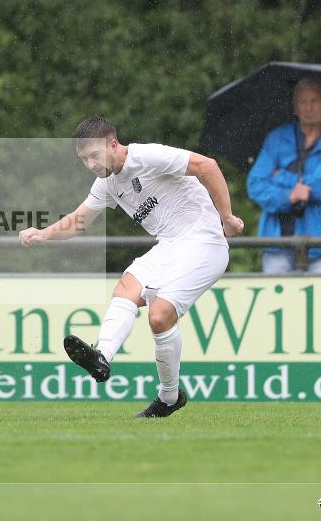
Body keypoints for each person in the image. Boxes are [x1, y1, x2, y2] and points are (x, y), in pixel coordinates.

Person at [19, 116, 244, 417]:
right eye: (84, 159)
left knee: (159, 315)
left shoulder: (147, 156)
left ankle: (168, 397)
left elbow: (207, 166)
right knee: (126, 287)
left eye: (94, 156)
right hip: (171, 246)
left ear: (113, 144)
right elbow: (81, 219)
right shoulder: (107, 184)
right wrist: (42, 233)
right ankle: (103, 357)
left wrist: (226, 217)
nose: (90, 165)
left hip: (205, 242)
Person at [247, 77, 321, 273]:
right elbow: (255, 184)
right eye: (303, 102)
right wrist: (289, 197)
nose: (308, 107)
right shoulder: (276, 138)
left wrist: (279, 176)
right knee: (276, 303)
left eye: (315, 101)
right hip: (277, 244)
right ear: (295, 108)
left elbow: (320, 188)